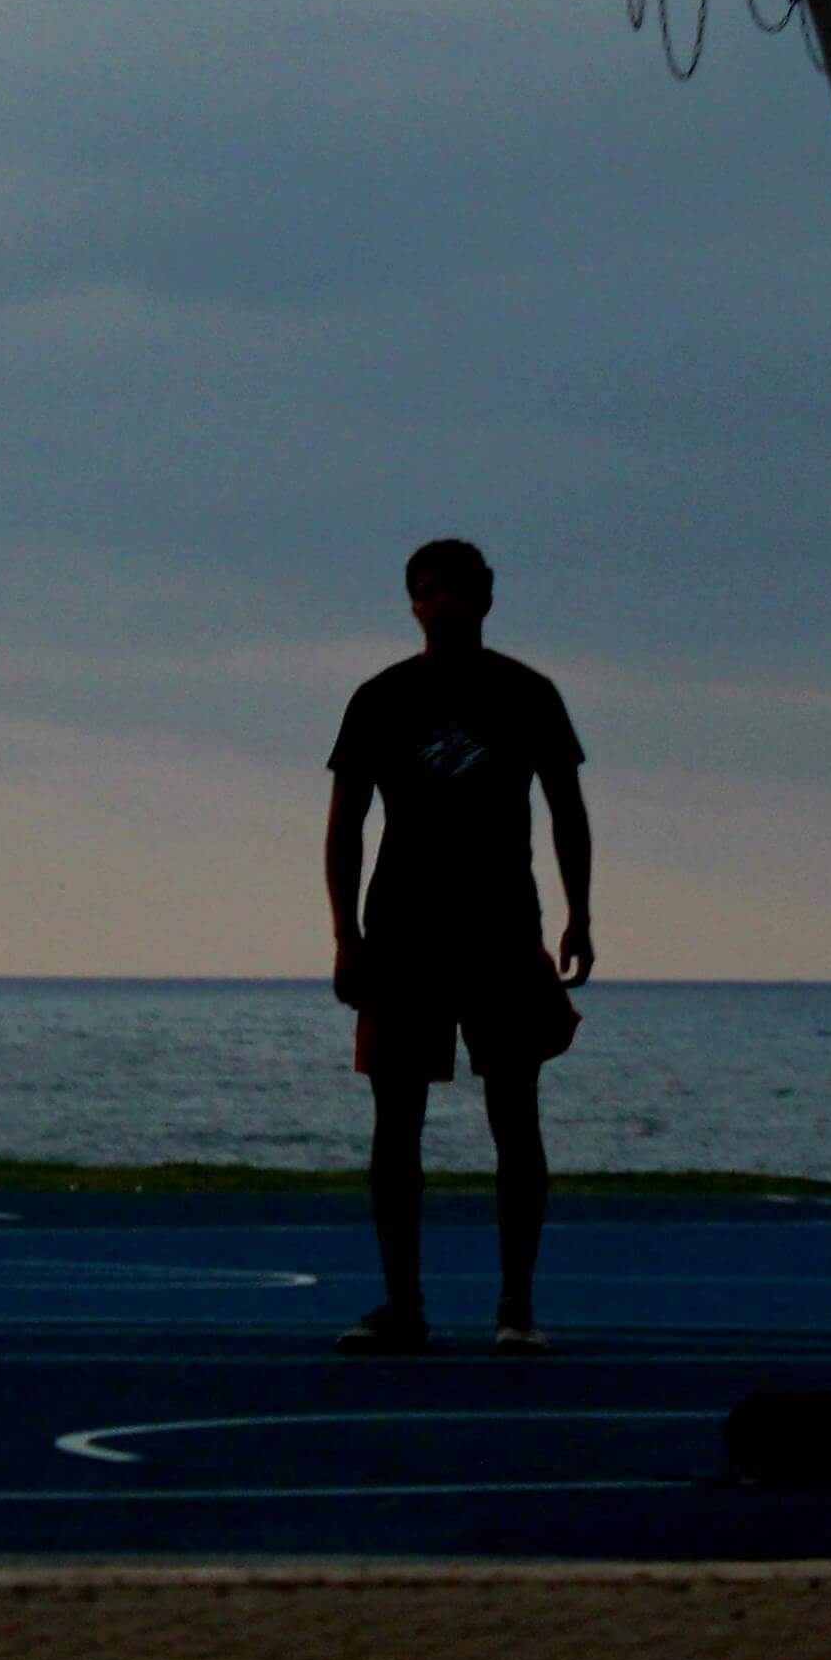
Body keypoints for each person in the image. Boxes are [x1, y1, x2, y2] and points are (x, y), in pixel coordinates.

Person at [322, 537, 591, 1354]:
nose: (443, 603)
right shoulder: (380, 697)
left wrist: (581, 914)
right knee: (395, 1123)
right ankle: (403, 1304)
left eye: (457, 590)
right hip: (403, 931)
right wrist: (346, 934)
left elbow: (567, 808)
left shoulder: (527, 693)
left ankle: (516, 1307)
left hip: (502, 926)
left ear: (486, 597)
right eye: (428, 591)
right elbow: (344, 827)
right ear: (411, 601)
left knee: (516, 1114)